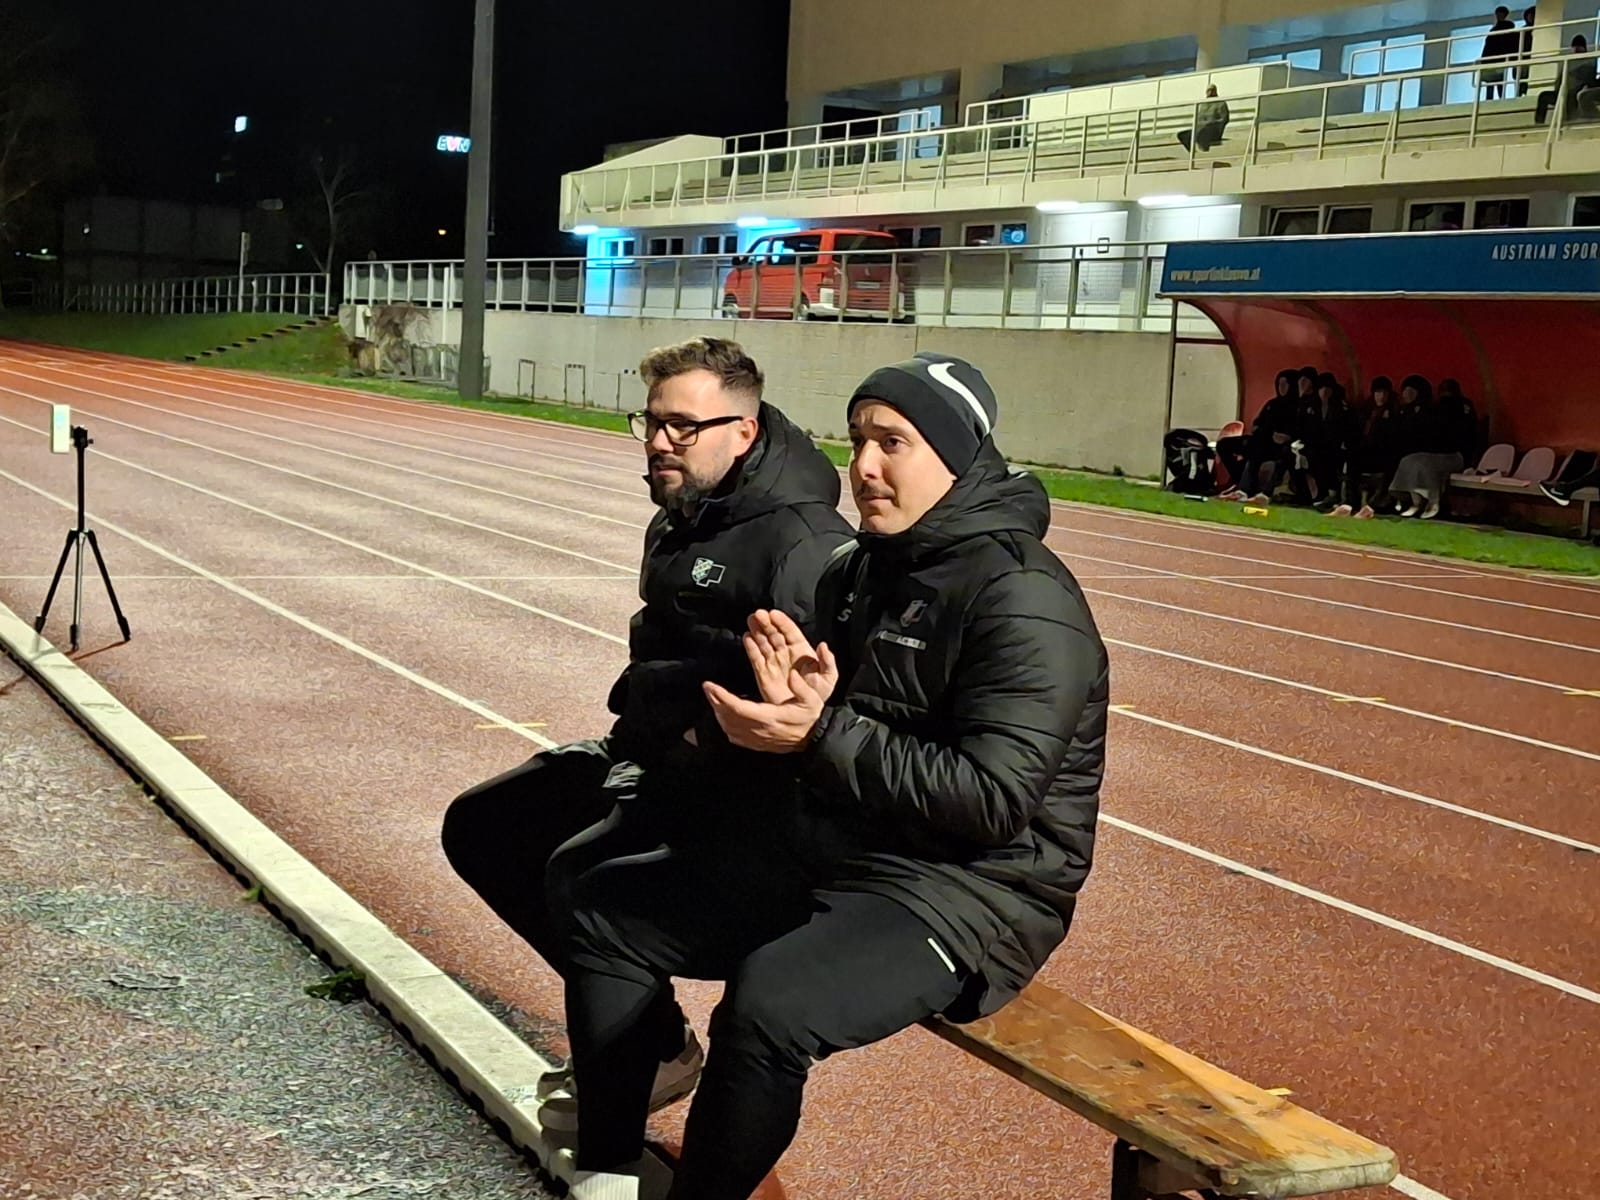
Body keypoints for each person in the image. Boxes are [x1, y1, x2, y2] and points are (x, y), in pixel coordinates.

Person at [551, 352, 1110, 1200]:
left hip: (970, 889)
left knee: (770, 1004)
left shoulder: (1024, 598)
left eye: (894, 442)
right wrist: (770, 718)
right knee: (601, 905)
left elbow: (993, 802)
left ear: (957, 456)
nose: (866, 466)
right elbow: (813, 717)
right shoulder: (861, 569)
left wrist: (818, 734)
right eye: (857, 440)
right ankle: (607, 1172)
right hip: (841, 846)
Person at [438, 335, 853, 1134]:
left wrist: (698, 746)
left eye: (683, 427)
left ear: (745, 429)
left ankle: (623, 1094)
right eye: (652, 422)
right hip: (651, 756)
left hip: (739, 793)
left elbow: (805, 702)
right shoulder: (683, 512)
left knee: (579, 875)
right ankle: (657, 1041)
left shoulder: (802, 541)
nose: (661, 441)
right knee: (483, 825)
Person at [1220, 367, 1301, 502]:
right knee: (1224, 444)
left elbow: (1297, 430)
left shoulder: (1298, 407)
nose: (1281, 387)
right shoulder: (1272, 404)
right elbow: (1257, 423)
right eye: (1279, 384)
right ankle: (1239, 481)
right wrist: (1262, 431)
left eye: (1285, 384)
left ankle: (1249, 490)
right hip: (1260, 439)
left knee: (1256, 453)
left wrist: (1287, 437)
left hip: (1277, 446)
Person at [1177, 84, 1230, 153]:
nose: (1210, 92)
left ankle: (1204, 149)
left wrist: (1212, 123)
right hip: (1200, 129)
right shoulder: (1203, 104)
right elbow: (1199, 118)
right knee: (1182, 135)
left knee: (1205, 131)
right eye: (1208, 90)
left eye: (1212, 90)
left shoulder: (1221, 103)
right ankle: (1192, 152)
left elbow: (1224, 119)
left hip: (1213, 130)